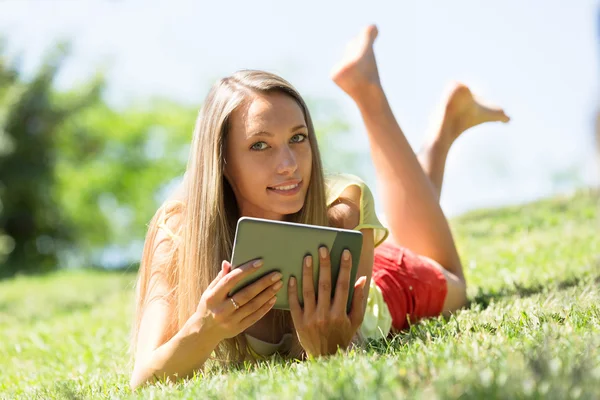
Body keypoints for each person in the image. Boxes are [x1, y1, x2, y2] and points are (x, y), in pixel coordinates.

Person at [128, 25, 509, 390]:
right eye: (260, 145)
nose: (289, 165)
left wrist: (328, 348)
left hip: (385, 287)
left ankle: (372, 95)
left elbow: (348, 353)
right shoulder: (179, 233)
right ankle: (445, 131)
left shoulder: (343, 210)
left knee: (452, 278)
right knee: (414, 226)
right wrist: (206, 326)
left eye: (298, 138)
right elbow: (144, 379)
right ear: (222, 161)